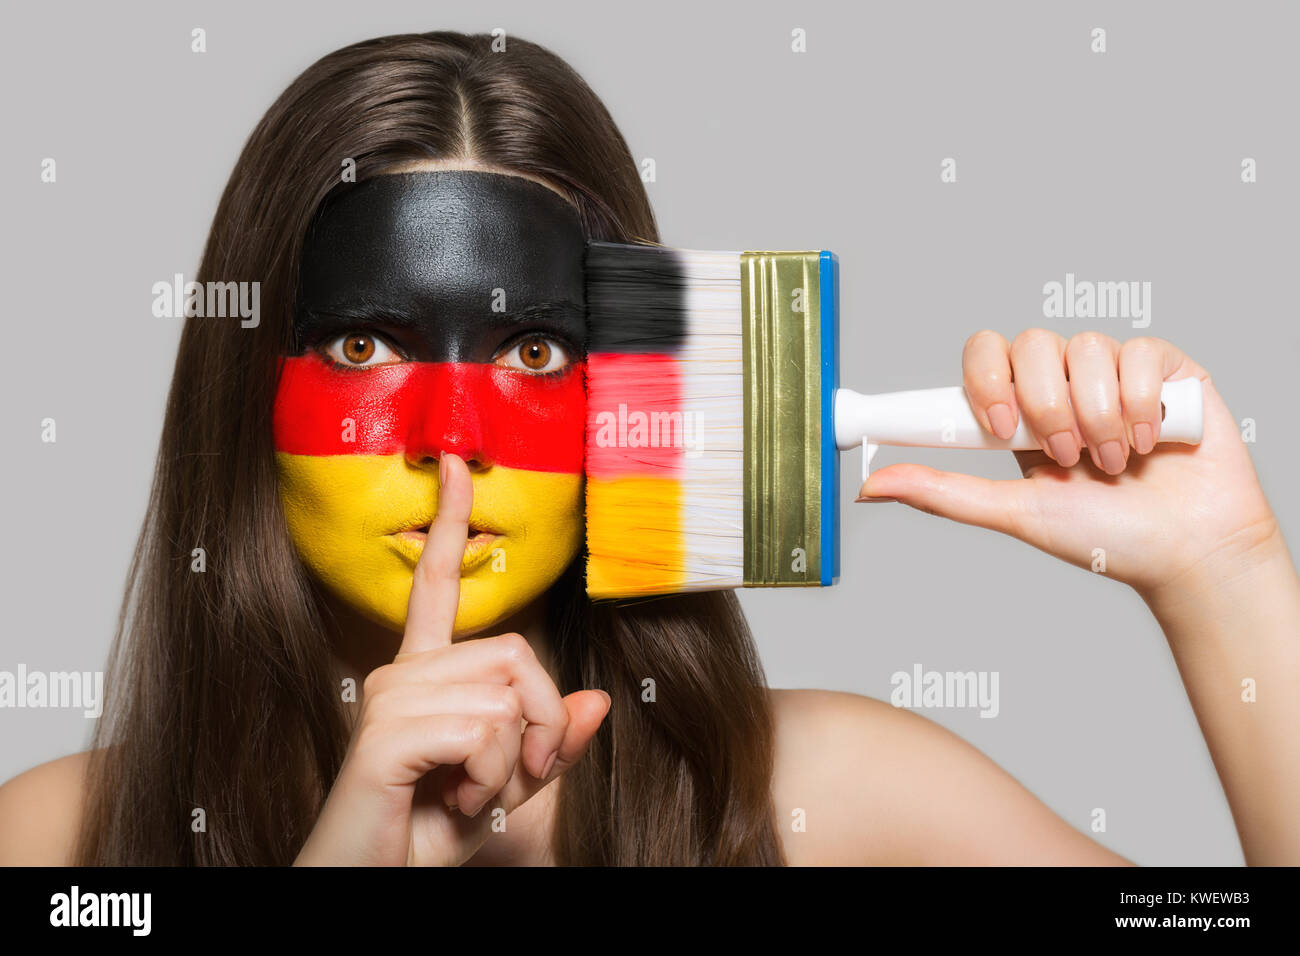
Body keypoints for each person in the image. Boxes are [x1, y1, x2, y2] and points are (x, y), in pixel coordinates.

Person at [1, 31, 1296, 867]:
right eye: (364, 349)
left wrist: (1222, 576)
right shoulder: (58, 850)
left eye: (534, 356)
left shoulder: (835, 803)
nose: (454, 446)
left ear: (640, 391)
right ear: (247, 395)